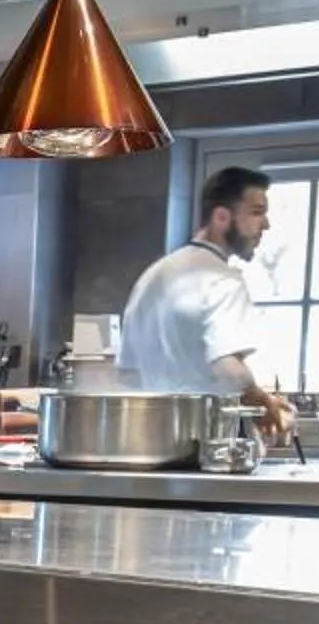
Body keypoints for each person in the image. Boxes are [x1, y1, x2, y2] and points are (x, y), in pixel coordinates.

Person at [117, 165, 294, 438]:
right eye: (257, 212)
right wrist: (263, 405)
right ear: (221, 217)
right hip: (201, 449)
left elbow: (128, 375)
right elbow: (230, 370)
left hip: (147, 445)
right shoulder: (222, 279)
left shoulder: (151, 277)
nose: (266, 225)